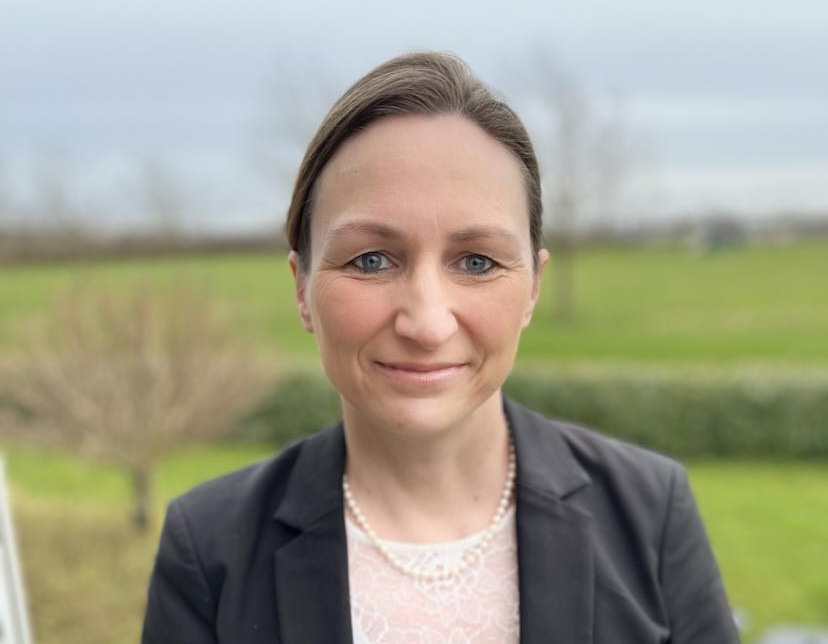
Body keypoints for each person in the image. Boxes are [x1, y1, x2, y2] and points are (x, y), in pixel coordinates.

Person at [142, 51, 739, 644]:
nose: (426, 324)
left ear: (533, 287)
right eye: (371, 260)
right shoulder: (209, 550)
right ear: (301, 288)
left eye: (476, 262)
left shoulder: (650, 515)